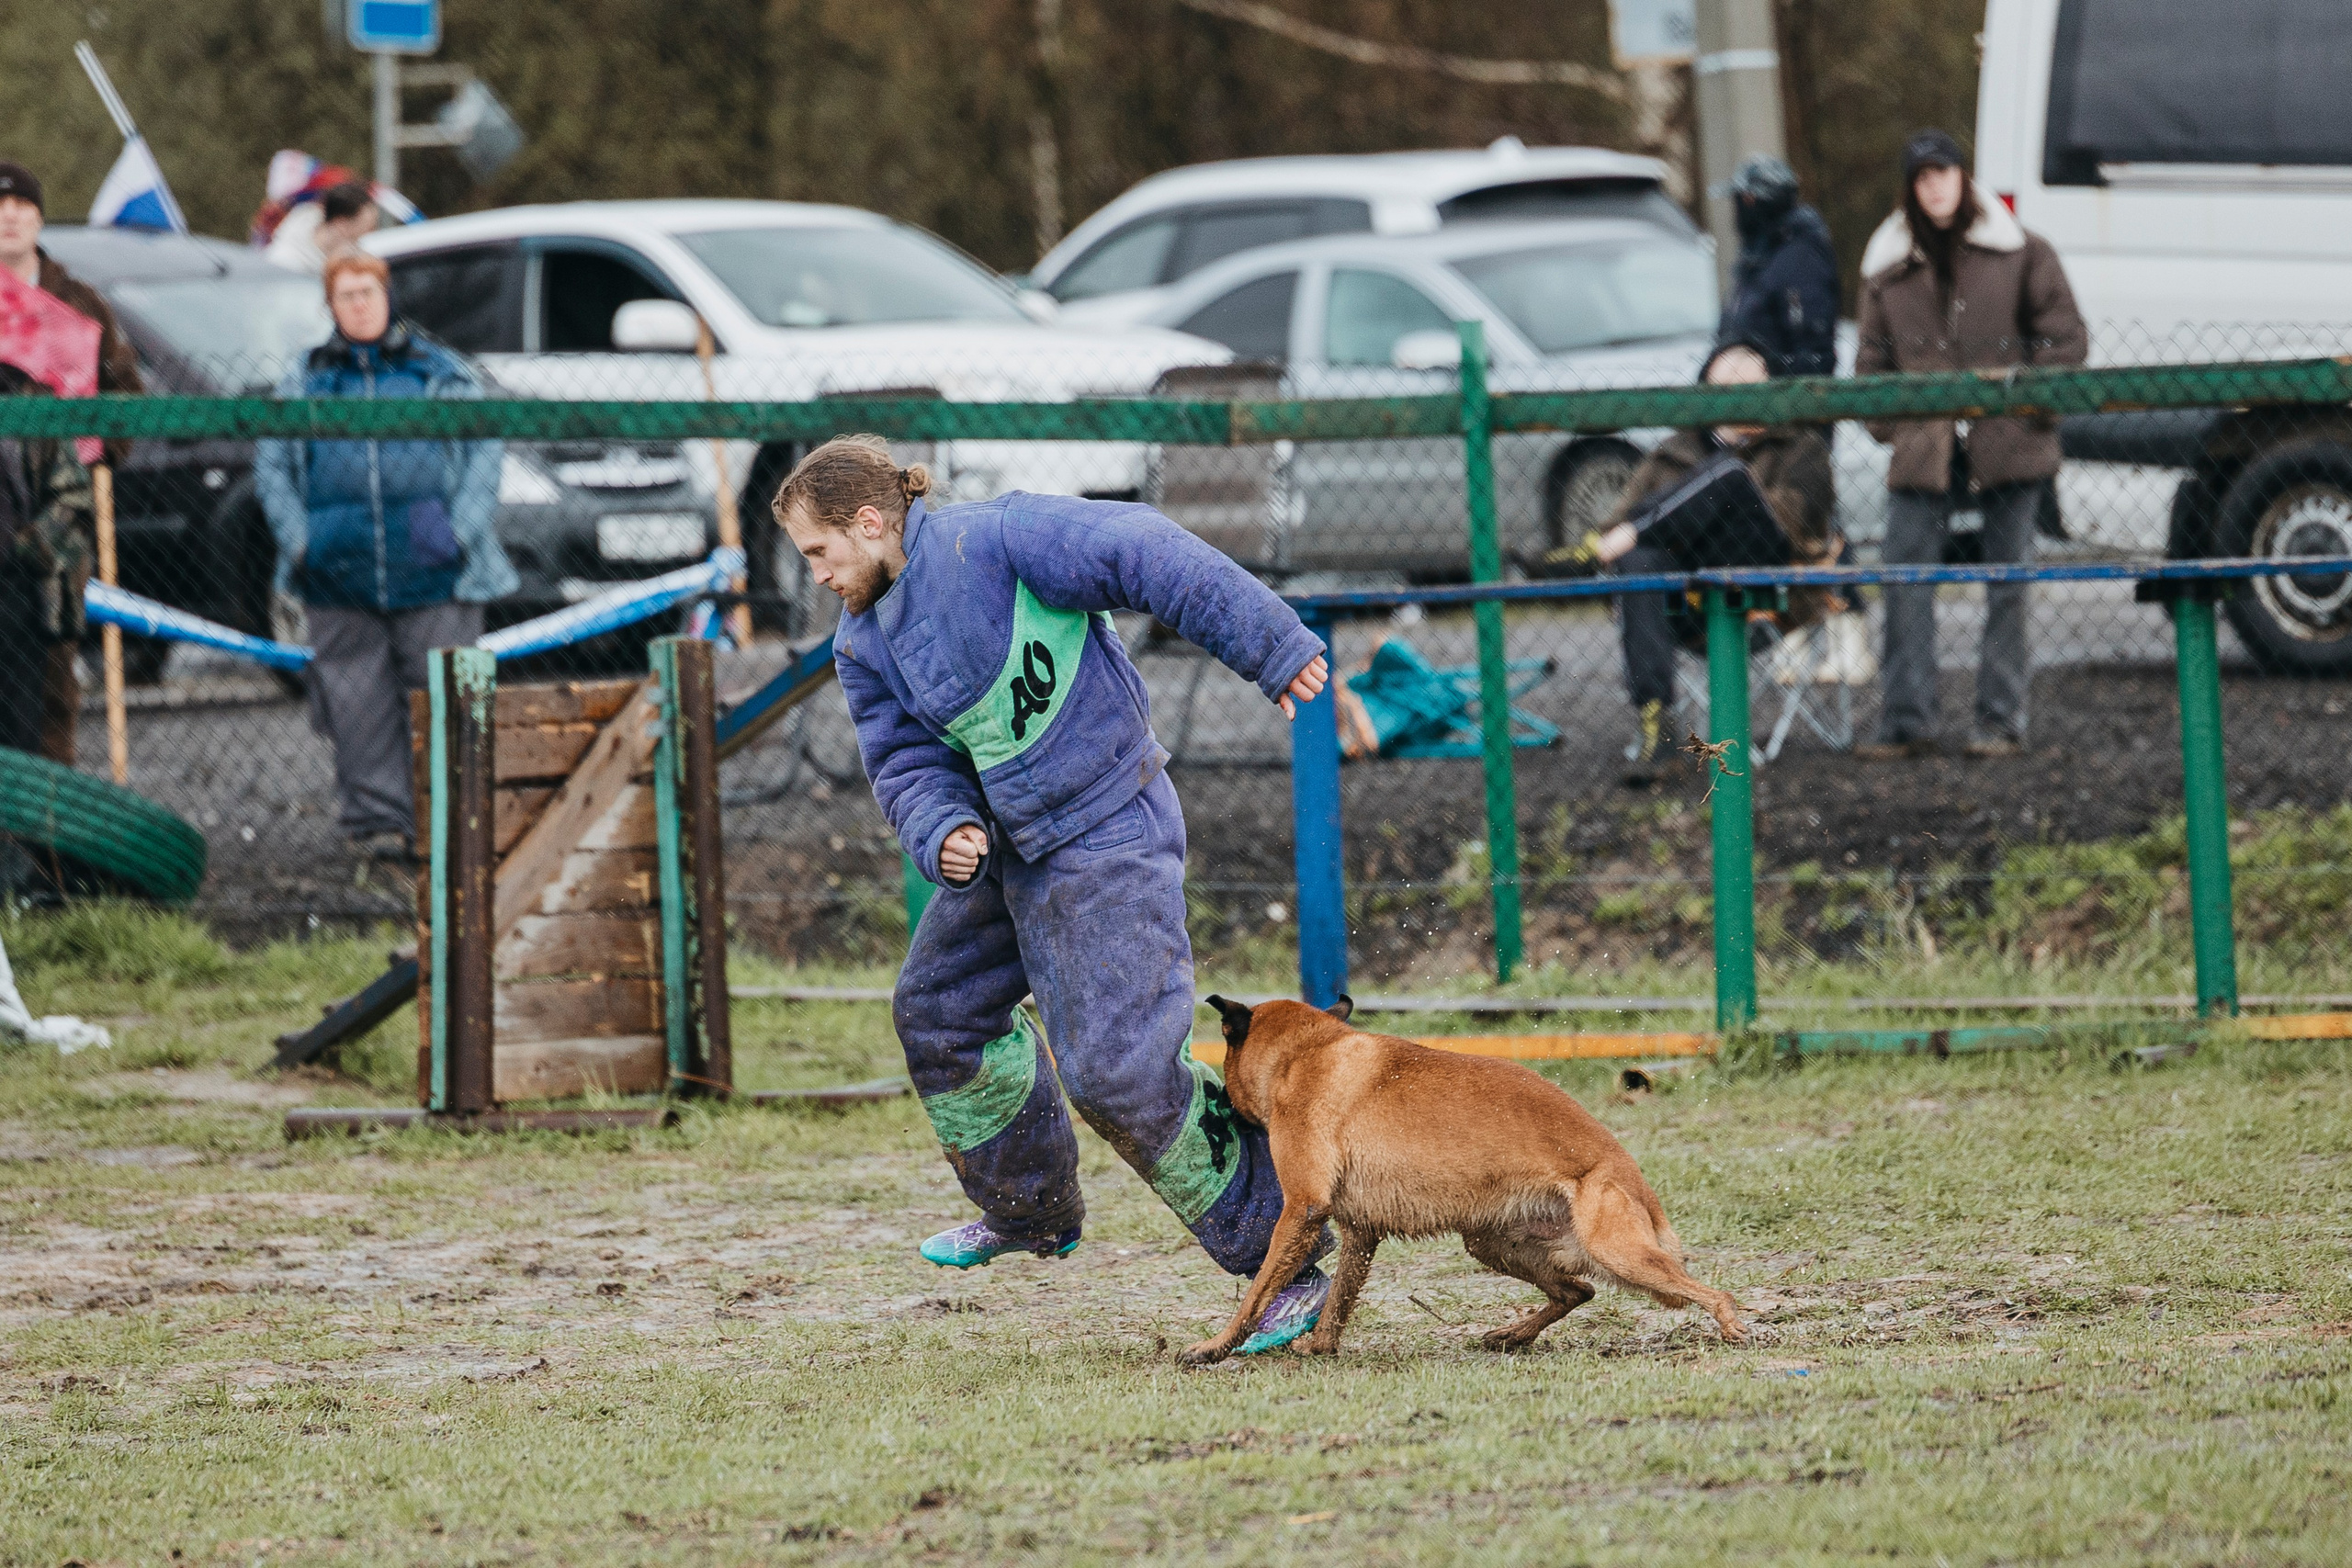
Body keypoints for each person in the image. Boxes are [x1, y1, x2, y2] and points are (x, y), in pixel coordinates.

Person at [774, 435, 1340, 1355]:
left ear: (869, 523)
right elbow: (903, 759)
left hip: (1109, 825)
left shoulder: (1003, 539)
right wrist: (940, 828)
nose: (818, 575)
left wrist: (1270, 645)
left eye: (819, 551)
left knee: (1118, 1071)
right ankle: (1030, 1210)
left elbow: (1147, 551)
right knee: (938, 1011)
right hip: (1009, 852)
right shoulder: (860, 643)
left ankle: (1284, 1257)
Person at [254, 252, 514, 861]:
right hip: (336, 568)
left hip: (434, 566)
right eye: (346, 295)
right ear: (330, 306)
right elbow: (272, 466)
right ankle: (378, 830)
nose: (360, 305)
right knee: (355, 701)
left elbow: (484, 453)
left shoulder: (438, 372)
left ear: (387, 295)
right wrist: (301, 540)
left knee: (439, 695)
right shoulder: (305, 379)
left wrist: (459, 533)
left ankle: (450, 822)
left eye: (368, 291)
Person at [1853, 129, 2086, 759]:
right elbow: (1868, 371)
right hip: (1924, 448)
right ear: (1909, 188)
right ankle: (1906, 720)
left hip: (2010, 444)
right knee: (1904, 577)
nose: (1935, 186)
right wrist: (1902, 428)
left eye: (1944, 172)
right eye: (1923, 177)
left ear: (1963, 176)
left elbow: (2065, 340)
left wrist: (2025, 410)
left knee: (2008, 581)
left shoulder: (2022, 252)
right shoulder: (1887, 271)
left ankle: (1999, 720)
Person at [1529, 343, 1844, 784]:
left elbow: (1792, 522)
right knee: (1638, 558)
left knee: (1729, 477)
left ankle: (1591, 553)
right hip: (1687, 604)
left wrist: (1702, 506)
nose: (1740, 396)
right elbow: (1624, 517)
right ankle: (1657, 722)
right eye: (1727, 387)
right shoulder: (1674, 452)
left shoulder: (1800, 448)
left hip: (1768, 587)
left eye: (1751, 385)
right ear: (1706, 394)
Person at [0, 160, 145, 767]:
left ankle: (51, 839)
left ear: (38, 216)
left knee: (52, 672)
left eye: (21, 208)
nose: (9, 219)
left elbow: (124, 396)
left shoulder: (81, 304)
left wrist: (100, 449)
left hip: (61, 511)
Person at [0, 363, 94, 758]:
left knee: (24, 731)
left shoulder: (31, 400)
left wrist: (27, 544)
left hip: (19, 589)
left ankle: (23, 819)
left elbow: (72, 494)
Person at [1717, 155, 1839, 378]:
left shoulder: (1801, 258)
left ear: (1757, 201)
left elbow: (1813, 354)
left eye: (1744, 199)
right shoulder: (1755, 257)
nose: (1738, 210)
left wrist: (1765, 369)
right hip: (1743, 399)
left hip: (1784, 402)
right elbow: (1734, 330)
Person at [266, 181, 380, 276]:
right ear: (341, 224)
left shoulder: (342, 257)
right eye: (366, 227)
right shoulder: (287, 266)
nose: (371, 233)